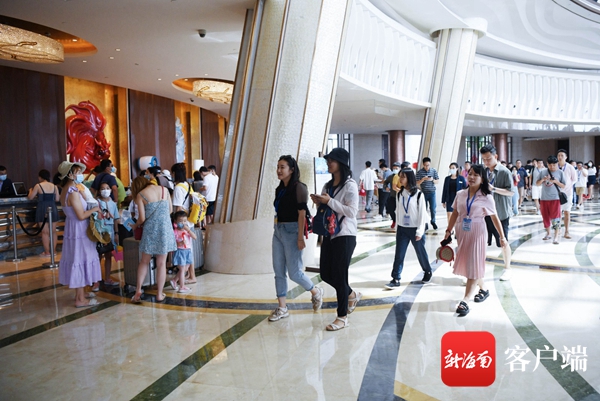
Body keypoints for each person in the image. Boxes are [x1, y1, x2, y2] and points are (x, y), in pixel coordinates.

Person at [444, 164, 508, 317]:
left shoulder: (487, 197)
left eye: (476, 175)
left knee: (473, 264)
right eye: (470, 174)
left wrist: (502, 236)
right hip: (462, 232)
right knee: (471, 263)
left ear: (482, 179)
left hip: (478, 233)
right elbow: (455, 213)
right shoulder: (460, 194)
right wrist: (448, 230)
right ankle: (483, 289)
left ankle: (465, 300)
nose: (471, 177)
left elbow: (494, 218)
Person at [269, 155, 323, 322]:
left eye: (282, 167)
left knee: (295, 273)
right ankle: (282, 307)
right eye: (278, 167)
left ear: (291, 170)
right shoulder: (280, 189)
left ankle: (315, 291)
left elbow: (301, 214)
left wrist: (300, 237)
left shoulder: (299, 187)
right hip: (278, 230)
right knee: (279, 271)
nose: (279, 170)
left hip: (293, 231)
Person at [310, 148, 358, 331]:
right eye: (328, 160)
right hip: (329, 234)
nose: (328, 163)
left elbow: (351, 212)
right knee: (325, 274)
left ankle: (342, 316)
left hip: (345, 235)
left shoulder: (350, 185)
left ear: (341, 163)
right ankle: (351, 294)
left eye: (332, 160)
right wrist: (320, 202)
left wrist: (329, 201)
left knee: (340, 274)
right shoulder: (327, 186)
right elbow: (327, 210)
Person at [57, 161, 102, 307]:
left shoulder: (67, 189)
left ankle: (80, 294)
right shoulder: (72, 192)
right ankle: (80, 299)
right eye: (77, 172)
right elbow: (81, 215)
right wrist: (94, 209)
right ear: (70, 175)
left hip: (73, 228)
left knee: (78, 259)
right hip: (79, 229)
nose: (80, 174)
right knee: (81, 259)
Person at [130, 176, 177, 303]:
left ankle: (138, 290)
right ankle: (159, 294)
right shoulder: (164, 190)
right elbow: (170, 210)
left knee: (144, 261)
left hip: (150, 231)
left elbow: (141, 219)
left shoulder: (140, 195)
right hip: (164, 230)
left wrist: (135, 225)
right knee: (161, 263)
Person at [385, 168, 432, 289]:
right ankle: (396, 278)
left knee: (420, 252)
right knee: (399, 254)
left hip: (415, 228)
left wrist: (420, 231)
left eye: (403, 177)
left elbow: (422, 214)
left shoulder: (419, 194)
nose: (400, 179)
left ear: (409, 178)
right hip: (402, 229)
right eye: (400, 176)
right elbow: (398, 211)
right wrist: (397, 227)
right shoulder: (399, 194)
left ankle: (427, 271)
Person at [480, 144, 513, 280]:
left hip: (500, 212)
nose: (486, 162)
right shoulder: (483, 171)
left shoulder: (505, 172)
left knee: (503, 241)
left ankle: (507, 268)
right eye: (484, 159)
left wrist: (494, 189)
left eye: (488, 159)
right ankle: (477, 271)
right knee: (481, 242)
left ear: (496, 156)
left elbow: (511, 192)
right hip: (485, 212)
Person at [28, 169, 59, 256]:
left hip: (42, 208)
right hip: (53, 208)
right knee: (53, 231)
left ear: (40, 177)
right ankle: (54, 251)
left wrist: (30, 191)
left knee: (45, 232)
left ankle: (47, 252)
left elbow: (30, 197)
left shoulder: (38, 186)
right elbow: (57, 199)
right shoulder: (54, 186)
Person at [536, 156, 566, 244]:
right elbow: (537, 183)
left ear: (557, 164)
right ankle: (548, 233)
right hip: (544, 199)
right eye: (550, 165)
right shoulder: (543, 172)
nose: (552, 167)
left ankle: (556, 236)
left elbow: (564, 186)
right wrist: (543, 179)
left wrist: (556, 182)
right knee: (545, 217)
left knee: (556, 217)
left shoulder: (560, 172)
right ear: (547, 164)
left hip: (555, 199)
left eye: (554, 165)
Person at [96, 182, 120, 286]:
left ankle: (107, 278)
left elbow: (115, 219)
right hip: (99, 231)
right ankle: (96, 279)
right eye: (102, 188)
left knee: (108, 254)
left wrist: (116, 233)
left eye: (107, 188)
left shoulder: (113, 204)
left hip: (110, 231)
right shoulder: (96, 202)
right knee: (98, 255)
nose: (105, 190)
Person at [169, 210, 197, 294]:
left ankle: (174, 280)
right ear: (175, 222)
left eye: (185, 221)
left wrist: (188, 230)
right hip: (180, 252)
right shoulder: (174, 232)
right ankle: (182, 287)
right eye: (180, 221)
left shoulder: (186, 230)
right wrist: (180, 243)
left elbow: (194, 237)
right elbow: (172, 243)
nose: (183, 223)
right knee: (181, 269)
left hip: (187, 251)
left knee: (185, 268)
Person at [557, 149, 577, 239]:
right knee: (557, 213)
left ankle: (567, 231)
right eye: (558, 155)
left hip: (568, 193)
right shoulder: (555, 167)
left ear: (566, 157)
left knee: (567, 212)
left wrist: (568, 185)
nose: (560, 157)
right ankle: (558, 229)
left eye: (562, 155)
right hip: (557, 193)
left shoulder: (570, 167)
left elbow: (574, 179)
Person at [415, 157, 439, 230]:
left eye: (428, 165)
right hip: (424, 193)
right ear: (423, 164)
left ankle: (433, 221)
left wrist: (432, 180)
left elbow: (437, 181)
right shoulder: (419, 172)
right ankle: (425, 223)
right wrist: (423, 179)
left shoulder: (433, 171)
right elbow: (417, 183)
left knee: (433, 208)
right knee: (424, 209)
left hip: (432, 193)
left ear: (430, 164)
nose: (427, 167)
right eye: (425, 165)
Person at [385, 162, 401, 229]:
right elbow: (386, 182)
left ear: (400, 168)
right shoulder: (391, 177)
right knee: (391, 209)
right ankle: (394, 220)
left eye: (396, 168)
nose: (395, 170)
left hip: (400, 196)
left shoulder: (401, 176)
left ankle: (400, 222)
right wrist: (386, 187)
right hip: (392, 195)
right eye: (394, 168)